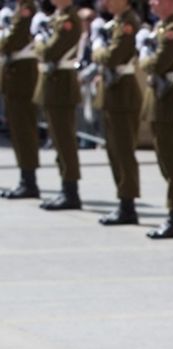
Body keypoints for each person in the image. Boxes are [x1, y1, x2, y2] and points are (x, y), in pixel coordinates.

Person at [138, 0, 173, 239]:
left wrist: (145, 55)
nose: (151, 3)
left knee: (172, 159)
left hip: (169, 99)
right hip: (159, 99)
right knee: (164, 158)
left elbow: (157, 64)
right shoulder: (161, 27)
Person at [92, 0, 143, 225]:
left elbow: (113, 56)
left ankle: (128, 204)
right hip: (111, 94)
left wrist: (97, 49)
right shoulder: (114, 23)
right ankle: (123, 201)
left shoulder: (128, 23)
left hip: (123, 95)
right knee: (114, 151)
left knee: (123, 151)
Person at [33, 0, 84, 211]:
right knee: (58, 140)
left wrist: (38, 40)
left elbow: (49, 51)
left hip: (61, 85)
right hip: (52, 84)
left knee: (64, 141)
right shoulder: (56, 17)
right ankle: (65, 188)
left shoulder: (69, 19)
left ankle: (70, 191)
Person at [0, 0, 41, 199]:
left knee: (23, 129)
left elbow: (11, 41)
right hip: (14, 77)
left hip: (22, 77)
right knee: (18, 129)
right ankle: (26, 178)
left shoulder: (26, 8)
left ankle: (29, 181)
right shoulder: (17, 9)